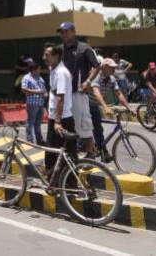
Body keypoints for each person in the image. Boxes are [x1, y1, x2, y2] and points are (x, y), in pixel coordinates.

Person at [57, 22, 99, 158]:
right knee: (65, 125)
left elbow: (97, 66)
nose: (63, 34)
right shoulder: (59, 50)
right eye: (61, 32)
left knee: (83, 125)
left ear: (74, 31)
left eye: (66, 31)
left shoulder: (84, 48)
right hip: (63, 95)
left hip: (78, 94)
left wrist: (88, 81)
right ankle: (70, 154)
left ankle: (91, 152)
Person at [43, 44, 77, 172]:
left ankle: (70, 184)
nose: (44, 58)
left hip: (62, 120)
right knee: (51, 152)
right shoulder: (53, 69)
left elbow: (61, 98)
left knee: (67, 154)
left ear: (56, 56)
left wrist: (57, 122)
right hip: (54, 117)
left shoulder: (61, 72)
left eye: (47, 55)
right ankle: (53, 181)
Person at [88, 58, 130, 162]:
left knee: (98, 129)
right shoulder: (97, 76)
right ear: (103, 67)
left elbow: (118, 93)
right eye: (111, 67)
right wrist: (105, 106)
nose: (114, 69)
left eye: (114, 67)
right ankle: (89, 153)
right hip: (85, 104)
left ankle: (103, 152)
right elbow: (96, 92)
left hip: (94, 105)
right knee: (87, 130)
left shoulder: (111, 79)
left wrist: (128, 107)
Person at [21, 62, 46, 144]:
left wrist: (46, 94)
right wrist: (37, 92)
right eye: (38, 69)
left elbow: (44, 89)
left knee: (38, 123)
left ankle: (39, 139)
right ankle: (29, 140)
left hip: (40, 103)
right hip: (32, 104)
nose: (40, 70)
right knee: (30, 122)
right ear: (33, 70)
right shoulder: (27, 78)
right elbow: (24, 89)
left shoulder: (40, 78)